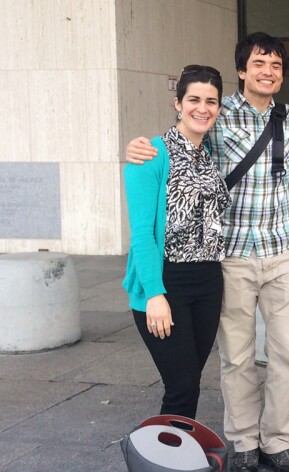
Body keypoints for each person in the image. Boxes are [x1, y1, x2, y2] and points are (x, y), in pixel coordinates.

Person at [126, 33, 289, 472]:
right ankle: (244, 443)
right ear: (242, 71)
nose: (269, 71)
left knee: (288, 354)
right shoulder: (217, 116)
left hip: (283, 250)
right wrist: (135, 149)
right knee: (238, 357)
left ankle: (279, 443)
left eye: (276, 65)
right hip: (232, 256)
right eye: (259, 64)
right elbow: (173, 148)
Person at [123, 65, 228, 421]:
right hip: (167, 282)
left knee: (190, 381)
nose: (203, 108)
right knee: (181, 384)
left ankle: (178, 457)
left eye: (211, 101)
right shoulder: (150, 155)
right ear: (177, 103)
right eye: (194, 99)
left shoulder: (210, 152)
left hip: (208, 281)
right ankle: (164, 468)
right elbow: (140, 234)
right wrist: (154, 294)